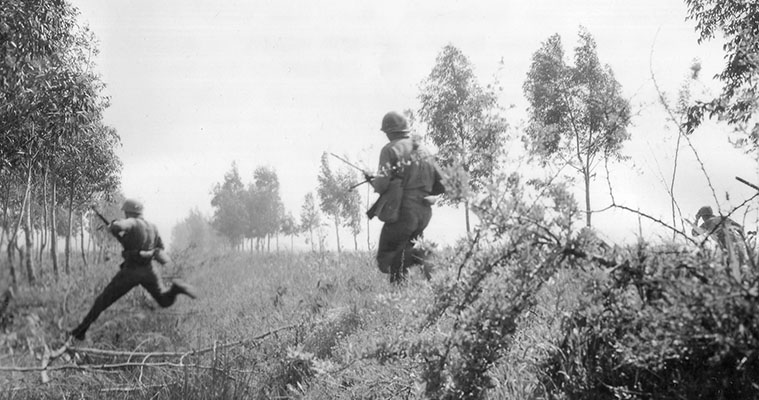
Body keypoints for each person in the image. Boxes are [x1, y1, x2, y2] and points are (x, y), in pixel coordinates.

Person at [69, 198, 197, 341]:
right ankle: (175, 289)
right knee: (164, 300)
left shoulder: (132, 222)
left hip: (131, 271)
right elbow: (160, 248)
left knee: (102, 301)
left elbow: (121, 225)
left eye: (125, 213)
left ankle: (80, 331)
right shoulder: (152, 227)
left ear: (129, 212)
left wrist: (114, 225)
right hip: (150, 270)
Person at [365, 111, 445, 284]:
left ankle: (422, 254)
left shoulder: (390, 149)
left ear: (389, 131)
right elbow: (443, 183)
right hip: (424, 212)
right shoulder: (424, 150)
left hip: (403, 211)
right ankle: (417, 271)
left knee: (387, 256)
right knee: (403, 250)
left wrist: (372, 179)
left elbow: (382, 185)